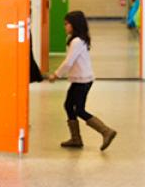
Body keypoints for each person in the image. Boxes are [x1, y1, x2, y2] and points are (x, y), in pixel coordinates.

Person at [49, 10, 117, 150]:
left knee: (79, 109)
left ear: (74, 25)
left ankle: (106, 131)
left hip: (83, 80)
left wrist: (56, 74)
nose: (65, 27)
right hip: (80, 79)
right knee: (69, 105)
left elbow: (69, 62)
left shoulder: (77, 41)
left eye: (67, 24)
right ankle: (76, 138)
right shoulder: (77, 40)